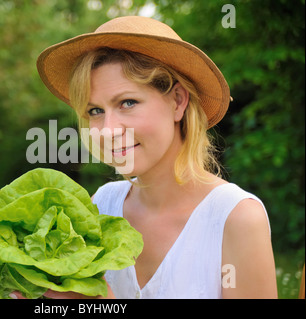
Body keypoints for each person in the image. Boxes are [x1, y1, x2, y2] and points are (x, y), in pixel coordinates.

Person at [34, 16, 277, 299]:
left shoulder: (235, 218)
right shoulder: (101, 205)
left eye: (127, 103)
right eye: (95, 111)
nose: (108, 130)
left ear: (177, 101)